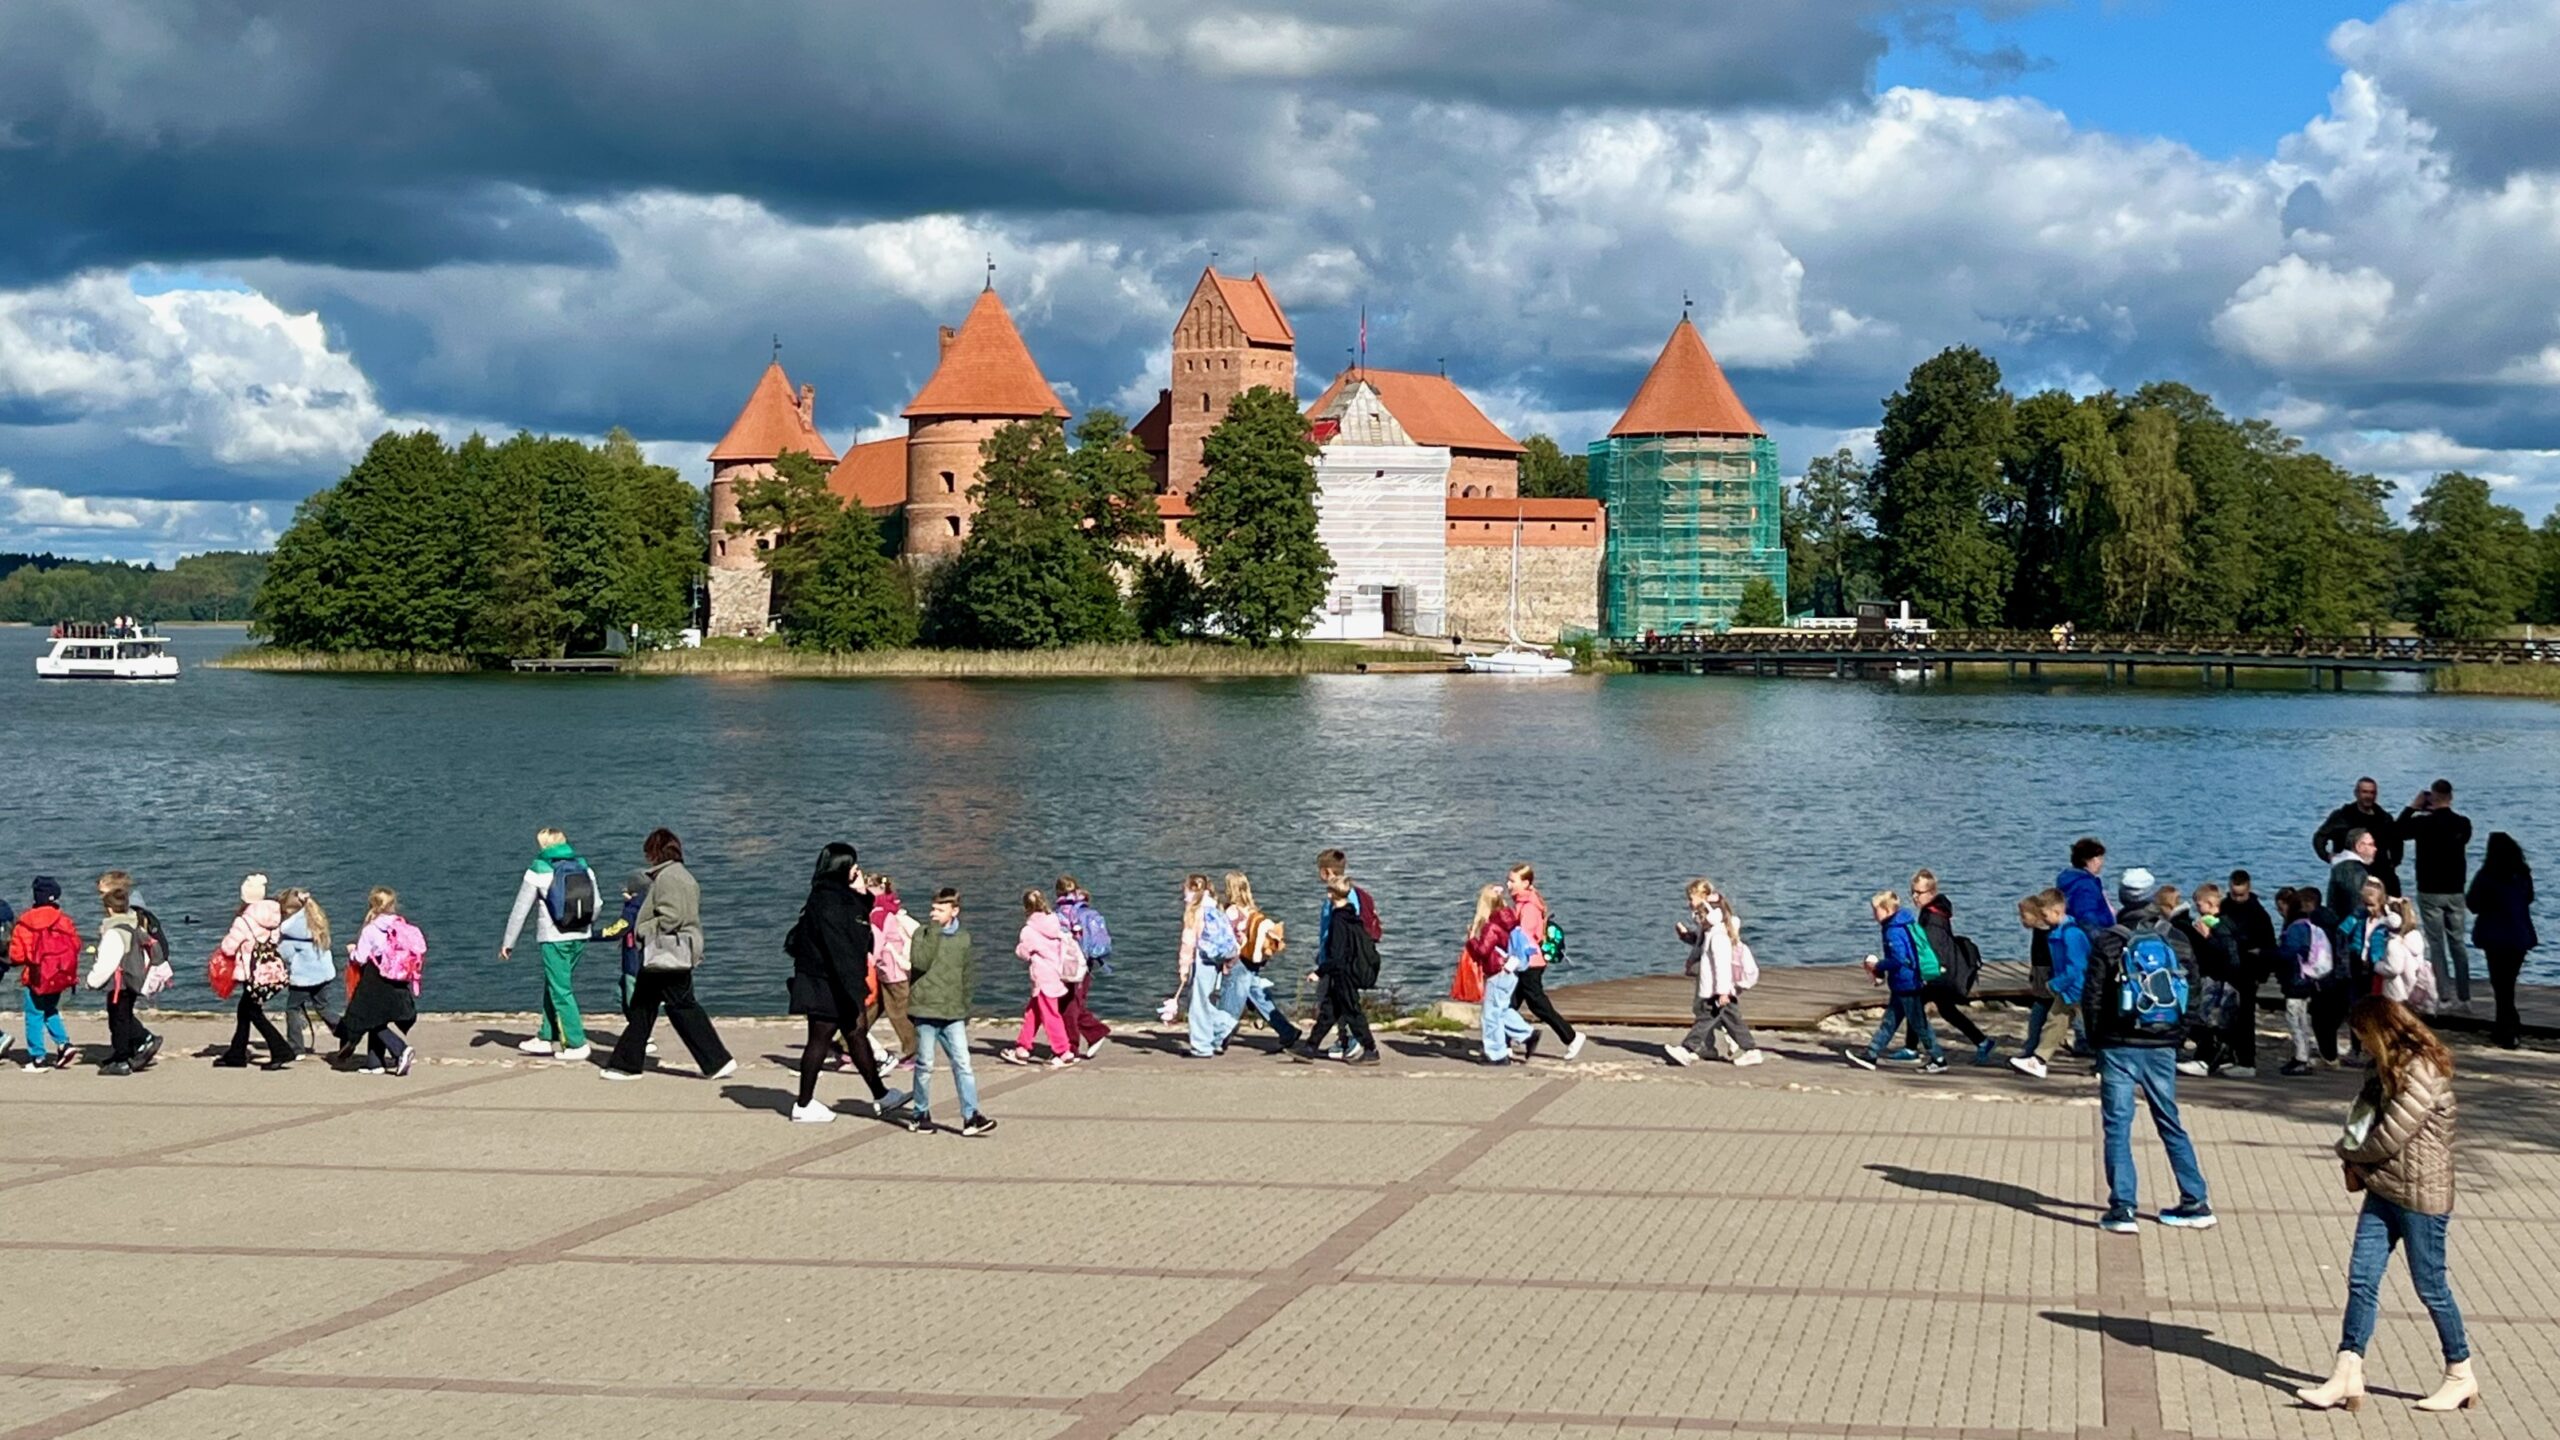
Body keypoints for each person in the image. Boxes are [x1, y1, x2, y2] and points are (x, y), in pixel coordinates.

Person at [2296, 998, 2478, 1414]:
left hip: (2419, 1196)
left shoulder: (2421, 1072)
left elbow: (2389, 1136)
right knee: (2362, 1277)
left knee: (2431, 1286)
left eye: (2361, 1035)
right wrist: (2353, 1144)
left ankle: (2460, 1372)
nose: (2358, 1043)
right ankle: (2347, 1370)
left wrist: (2349, 1153)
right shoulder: (2384, 1068)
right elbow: (2364, 1119)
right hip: (2385, 1189)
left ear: (2379, 1030)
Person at [2086, 869, 2214, 1233]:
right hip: (2162, 1044)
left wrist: (2096, 1041)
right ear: (2151, 897)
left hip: (2118, 1044)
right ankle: (2195, 1200)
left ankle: (2123, 1209)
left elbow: (2092, 997)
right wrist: (2178, 1033)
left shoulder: (2109, 940)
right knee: (2169, 1122)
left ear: (2123, 897)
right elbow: (2193, 987)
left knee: (2117, 1126)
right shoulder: (2175, 938)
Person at [599, 829, 736, 1083]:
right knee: (647, 1007)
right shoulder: (682, 876)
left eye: (648, 851)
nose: (647, 857)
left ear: (656, 851)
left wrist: (642, 930)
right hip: (677, 951)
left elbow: (672, 916)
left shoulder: (668, 878)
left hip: (666, 952)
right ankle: (626, 1063)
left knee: (676, 1007)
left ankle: (716, 1060)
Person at [783, 843, 904, 1122]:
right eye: (854, 866)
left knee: (855, 1034)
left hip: (825, 980)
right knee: (820, 1040)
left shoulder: (824, 896)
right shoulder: (834, 901)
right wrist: (855, 988)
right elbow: (852, 942)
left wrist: (861, 895)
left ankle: (881, 1094)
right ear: (843, 867)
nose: (857, 871)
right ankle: (803, 1105)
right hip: (829, 983)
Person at [500, 827, 601, 1061]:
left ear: (543, 845)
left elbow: (520, 910)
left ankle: (576, 1043)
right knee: (555, 983)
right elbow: (597, 904)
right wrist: (586, 925)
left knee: (561, 989)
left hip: (554, 938)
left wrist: (508, 942)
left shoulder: (538, 869)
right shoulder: (584, 866)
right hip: (581, 934)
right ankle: (546, 1036)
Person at [902, 887, 993, 1136]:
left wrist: (965, 1006)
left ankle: (971, 1116)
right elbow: (921, 962)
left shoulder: (963, 938)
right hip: (926, 1009)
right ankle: (920, 1114)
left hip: (952, 1012)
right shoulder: (922, 934)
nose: (934, 913)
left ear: (954, 911)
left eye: (940, 910)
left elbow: (967, 975)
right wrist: (934, 932)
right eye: (933, 908)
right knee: (925, 1065)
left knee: (963, 1064)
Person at [1665, 877, 1763, 1067]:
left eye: (1699, 917)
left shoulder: (1718, 937)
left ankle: (1688, 1049)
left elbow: (1722, 966)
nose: (1696, 919)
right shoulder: (1710, 933)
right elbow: (1700, 945)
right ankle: (1749, 1050)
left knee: (1706, 1018)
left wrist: (1723, 991)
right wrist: (1686, 936)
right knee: (1733, 1022)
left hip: (1718, 990)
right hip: (1716, 989)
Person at [1845, 890, 1945, 1073]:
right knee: (1890, 1022)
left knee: (1919, 1024)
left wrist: (1878, 966)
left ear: (1887, 909)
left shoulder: (1893, 931)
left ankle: (1938, 1058)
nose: (1874, 915)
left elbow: (1899, 959)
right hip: (1904, 983)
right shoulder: (1903, 923)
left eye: (1876, 910)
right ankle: (1871, 1054)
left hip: (1907, 984)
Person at [2399, 780, 2473, 1008]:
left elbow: (2397, 830)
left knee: (2437, 943)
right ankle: (2465, 996)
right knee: (2458, 943)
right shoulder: (2463, 823)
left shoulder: (2422, 824)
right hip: (2455, 890)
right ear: (2451, 796)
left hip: (2430, 889)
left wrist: (2412, 807)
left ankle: (2444, 996)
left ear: (2431, 798)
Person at [1295, 872, 1381, 1065]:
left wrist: (1319, 972)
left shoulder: (1339, 921)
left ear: (1333, 894)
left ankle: (1370, 1049)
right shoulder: (1352, 916)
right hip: (1346, 973)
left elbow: (1337, 955)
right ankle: (1309, 1048)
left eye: (1329, 892)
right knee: (1329, 1012)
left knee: (1352, 1013)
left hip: (1344, 975)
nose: (1327, 896)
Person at [213, 874, 295, 1070]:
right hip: (269, 972)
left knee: (253, 1012)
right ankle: (237, 1053)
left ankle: (280, 1050)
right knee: (245, 1011)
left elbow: (228, 948)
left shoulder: (244, 921)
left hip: (252, 973)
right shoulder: (274, 918)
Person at [1911, 870, 1992, 1066]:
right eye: (1912, 892)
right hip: (1943, 969)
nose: (1914, 897)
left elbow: (1934, 948)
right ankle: (1982, 1041)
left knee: (1915, 1002)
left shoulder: (1933, 917)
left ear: (1931, 892)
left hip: (1940, 971)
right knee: (1946, 1010)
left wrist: (1928, 973)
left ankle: (1911, 1048)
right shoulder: (1935, 911)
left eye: (1918, 893)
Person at [85, 871, 162, 1075]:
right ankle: (125, 1051)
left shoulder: (115, 931)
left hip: (123, 979)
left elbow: (108, 961)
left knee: (120, 1018)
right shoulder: (131, 921)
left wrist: (92, 981)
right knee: (120, 1015)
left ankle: (123, 1057)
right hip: (134, 975)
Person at [2465, 832, 2537, 1049]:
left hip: (2495, 936)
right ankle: (2508, 1026)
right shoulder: (2523, 874)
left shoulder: (2487, 875)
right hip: (2519, 935)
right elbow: (2529, 898)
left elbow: (2473, 903)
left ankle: (2507, 1029)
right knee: (2508, 983)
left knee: (2500, 984)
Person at [343, 887, 425, 1075]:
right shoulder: (400, 925)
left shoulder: (371, 929)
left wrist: (351, 952)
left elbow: (361, 958)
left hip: (376, 977)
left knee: (366, 1017)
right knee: (378, 1017)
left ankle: (400, 1049)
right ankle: (375, 1062)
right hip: (398, 977)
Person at [1505, 865, 1583, 1061]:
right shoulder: (1523, 903)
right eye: (1509, 880)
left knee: (1538, 1005)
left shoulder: (1529, 907)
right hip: (1525, 962)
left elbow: (1524, 938)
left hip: (1530, 963)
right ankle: (1503, 1044)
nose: (1508, 884)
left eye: (1512, 881)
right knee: (1509, 1004)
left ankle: (1572, 1037)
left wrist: (1512, 959)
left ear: (1525, 883)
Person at [2173, 883, 2249, 1078]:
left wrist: (2207, 938)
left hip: (2219, 979)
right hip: (2219, 978)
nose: (2197, 909)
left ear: (2209, 904)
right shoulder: (2226, 924)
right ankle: (2222, 1057)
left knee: (2206, 1018)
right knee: (2213, 1019)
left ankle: (2205, 1059)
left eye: (2199, 905)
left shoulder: (2219, 926)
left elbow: (2229, 954)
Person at [8, 877, 82, 1070]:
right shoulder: (64, 920)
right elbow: (76, 945)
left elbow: (16, 955)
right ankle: (63, 1044)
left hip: (35, 976)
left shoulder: (25, 922)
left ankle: (38, 1057)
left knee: (34, 1015)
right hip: (58, 974)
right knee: (50, 1010)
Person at [1004, 890, 1077, 1068]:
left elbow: (1024, 953)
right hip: (1056, 974)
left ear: (1026, 908)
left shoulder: (1029, 930)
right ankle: (1023, 1047)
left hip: (1043, 977)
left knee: (1050, 1014)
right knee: (1033, 1012)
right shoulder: (1054, 923)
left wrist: (1019, 949)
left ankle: (1063, 1051)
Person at [1464, 885, 1534, 1065]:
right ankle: (1527, 1034)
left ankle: (1496, 1054)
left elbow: (1482, 951)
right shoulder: (1509, 920)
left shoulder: (1491, 926)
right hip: (1511, 971)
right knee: (1502, 1010)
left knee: (1490, 1015)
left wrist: (1471, 939)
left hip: (1497, 972)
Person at [2224, 870, 2280, 1070]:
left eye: (2242, 895)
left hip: (2249, 970)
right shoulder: (2224, 907)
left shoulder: (2258, 914)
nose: (2238, 899)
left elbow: (2269, 945)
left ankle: (2247, 1059)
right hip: (2227, 970)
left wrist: (2262, 973)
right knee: (2226, 1014)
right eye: (2234, 894)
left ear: (2249, 890)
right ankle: (2227, 1053)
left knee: (2245, 1016)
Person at [275, 888, 340, 1059]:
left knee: (293, 1008)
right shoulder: (317, 923)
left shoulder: (289, 933)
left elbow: (285, 955)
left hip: (303, 978)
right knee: (323, 1007)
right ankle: (346, 1033)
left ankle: (296, 1048)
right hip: (324, 974)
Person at [1052, 875, 1111, 1060]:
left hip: (1069, 964)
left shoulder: (1059, 913)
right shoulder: (1085, 910)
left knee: (1069, 1005)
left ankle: (1074, 1044)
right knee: (1074, 1002)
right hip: (1086, 963)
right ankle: (1087, 1036)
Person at [2275, 888, 2331, 1077]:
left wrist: (2267, 954)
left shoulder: (2295, 929)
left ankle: (2300, 1058)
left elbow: (2287, 953)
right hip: (2307, 978)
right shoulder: (2308, 925)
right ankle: (2303, 1054)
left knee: (2294, 1018)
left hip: (2296, 980)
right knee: (2302, 1018)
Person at [1177, 874, 1235, 1058]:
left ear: (1192, 890)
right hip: (1215, 960)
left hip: (1200, 959)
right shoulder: (1214, 906)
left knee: (1197, 1005)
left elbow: (1188, 942)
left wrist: (1184, 968)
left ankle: (1202, 1045)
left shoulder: (1194, 910)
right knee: (1202, 1000)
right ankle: (1223, 1024)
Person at [2315, 778, 2402, 896]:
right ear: (2356, 793)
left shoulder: (2384, 818)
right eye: (2364, 792)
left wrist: (2394, 862)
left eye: (2372, 793)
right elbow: (2319, 838)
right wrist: (2327, 856)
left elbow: (2397, 841)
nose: (2368, 796)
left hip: (2381, 874)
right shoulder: (2342, 816)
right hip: (2350, 874)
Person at [869, 875, 920, 1069]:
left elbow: (878, 941)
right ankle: (846, 1044)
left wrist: (868, 960)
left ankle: (913, 1051)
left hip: (891, 969)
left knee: (899, 1011)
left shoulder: (878, 914)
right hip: (893, 967)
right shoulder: (891, 908)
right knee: (874, 1007)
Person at [2327, 829, 2379, 938]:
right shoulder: (2353, 870)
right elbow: (2355, 904)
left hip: (2338, 928)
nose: (2375, 849)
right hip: (2348, 932)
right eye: (2371, 844)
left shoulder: (2342, 865)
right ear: (2359, 847)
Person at [2058, 838, 2115, 932]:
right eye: (2099, 858)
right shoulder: (2085, 886)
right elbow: (2088, 919)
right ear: (2089, 860)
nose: (2102, 862)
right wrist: (2102, 941)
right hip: (2097, 938)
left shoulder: (2070, 880)